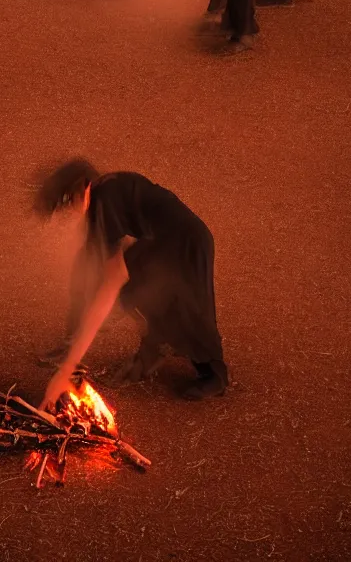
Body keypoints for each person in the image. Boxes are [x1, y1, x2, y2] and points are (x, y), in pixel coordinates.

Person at [35, 159, 228, 408]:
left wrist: (67, 370)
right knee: (132, 288)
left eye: (68, 200)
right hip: (160, 245)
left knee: (193, 309)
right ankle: (153, 344)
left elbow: (113, 281)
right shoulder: (104, 194)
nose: (69, 209)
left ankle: (215, 374)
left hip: (189, 243)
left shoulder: (103, 201)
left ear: (81, 189)